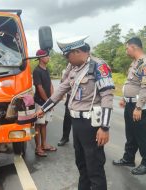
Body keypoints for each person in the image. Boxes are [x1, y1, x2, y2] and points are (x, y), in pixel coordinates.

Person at [36, 36, 115, 190]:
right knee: (81, 163)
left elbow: (107, 97)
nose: (67, 59)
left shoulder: (99, 67)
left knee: (94, 166)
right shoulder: (75, 68)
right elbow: (61, 90)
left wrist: (105, 128)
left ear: (77, 52)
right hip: (77, 123)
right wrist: (43, 109)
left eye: (68, 55)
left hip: (91, 124)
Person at [112, 37, 146, 175]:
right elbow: (132, 83)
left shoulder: (145, 64)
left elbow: (145, 88)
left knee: (141, 135)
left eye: (127, 48)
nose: (126, 50)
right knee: (130, 134)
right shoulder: (135, 63)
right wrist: (125, 98)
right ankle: (129, 158)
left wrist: (138, 107)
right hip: (131, 103)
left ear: (134, 48)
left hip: (139, 105)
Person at [33, 49, 57, 157]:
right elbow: (39, 87)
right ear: (41, 58)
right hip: (40, 103)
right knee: (38, 125)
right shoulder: (36, 71)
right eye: (47, 56)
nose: (49, 58)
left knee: (45, 124)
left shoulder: (46, 70)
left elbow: (50, 84)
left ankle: (44, 144)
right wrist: (48, 101)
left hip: (47, 102)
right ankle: (38, 147)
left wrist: (52, 100)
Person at [58, 63, 72, 146]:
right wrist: (62, 92)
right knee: (67, 117)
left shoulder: (91, 62)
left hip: (84, 97)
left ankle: (81, 140)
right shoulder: (71, 63)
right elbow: (65, 76)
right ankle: (65, 137)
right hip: (71, 94)